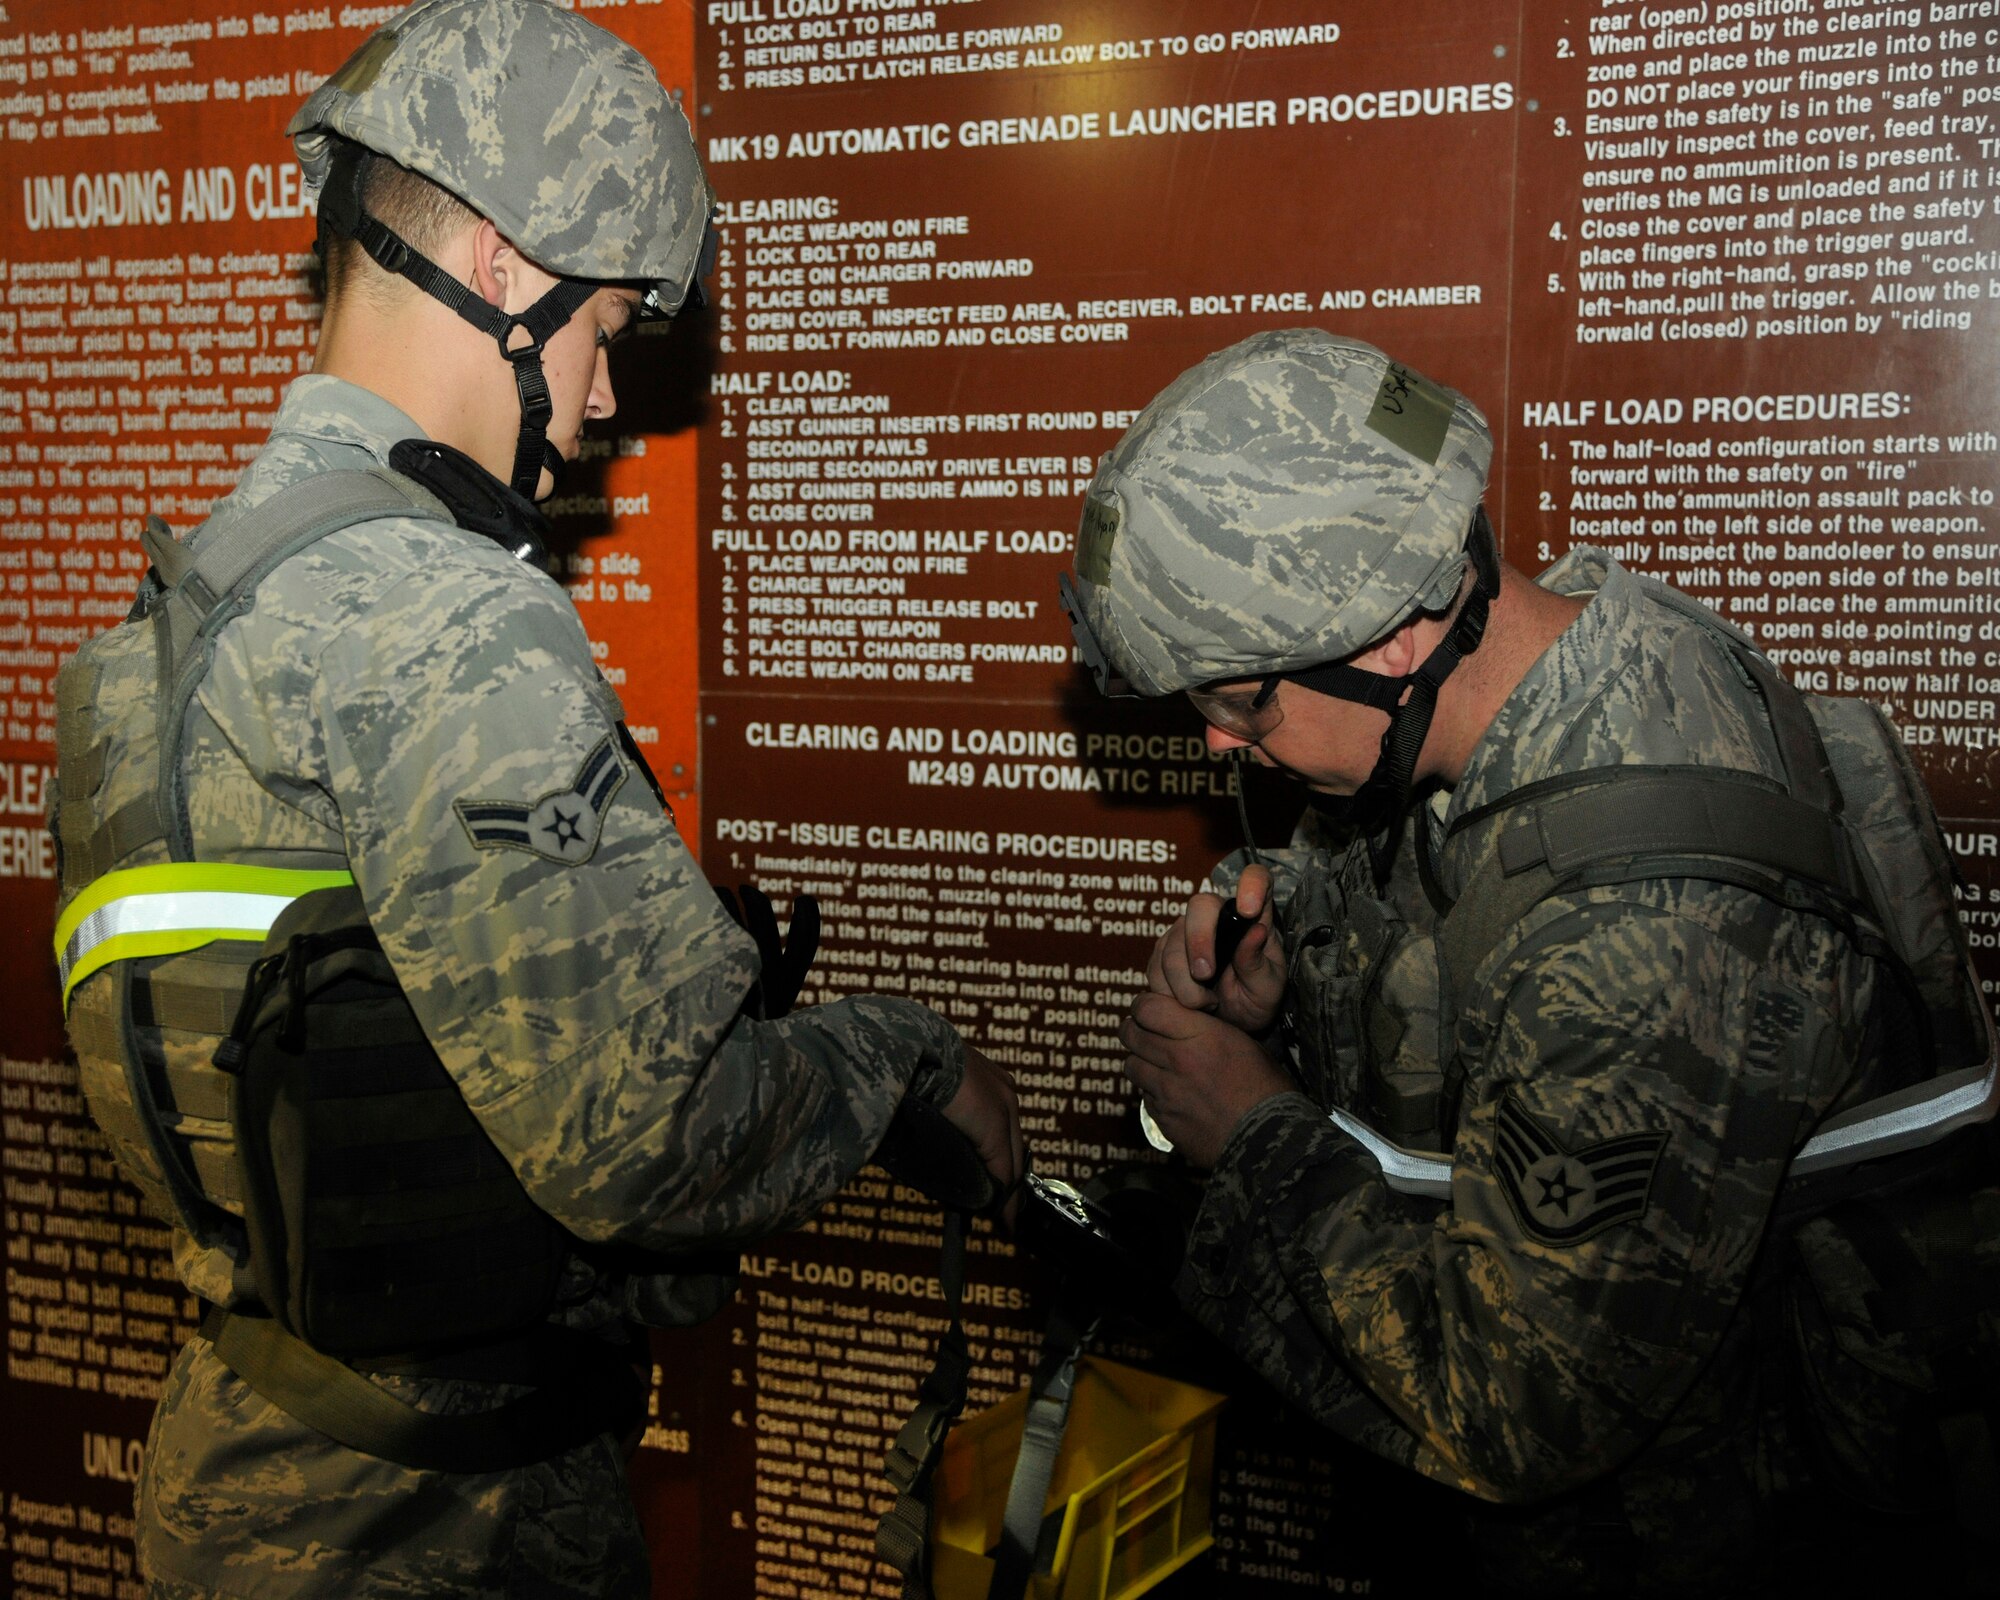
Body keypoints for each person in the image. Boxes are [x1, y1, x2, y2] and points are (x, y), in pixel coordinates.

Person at [48, 3, 1021, 1595]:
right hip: (444, 1529)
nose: (600, 401)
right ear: (504, 266)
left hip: (236, 1475)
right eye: (606, 329)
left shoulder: (150, 641)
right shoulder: (444, 617)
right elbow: (649, 1146)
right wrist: (905, 1065)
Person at [1058, 328, 1998, 1593]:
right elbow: (1450, 899)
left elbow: (1506, 1408)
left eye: (1238, 702)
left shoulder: (1645, 925)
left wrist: (1254, 1131)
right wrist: (1289, 968)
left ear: (1393, 637)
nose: (1222, 747)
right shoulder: (1579, 652)